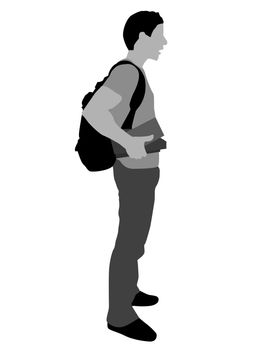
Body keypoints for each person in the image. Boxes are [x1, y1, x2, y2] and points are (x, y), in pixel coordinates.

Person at [82, 11, 168, 341]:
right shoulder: (127, 73)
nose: (163, 42)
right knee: (129, 241)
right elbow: (94, 111)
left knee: (136, 239)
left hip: (142, 171)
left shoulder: (135, 73)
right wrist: (127, 140)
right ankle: (119, 314)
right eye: (159, 35)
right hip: (134, 173)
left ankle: (128, 290)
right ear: (142, 37)